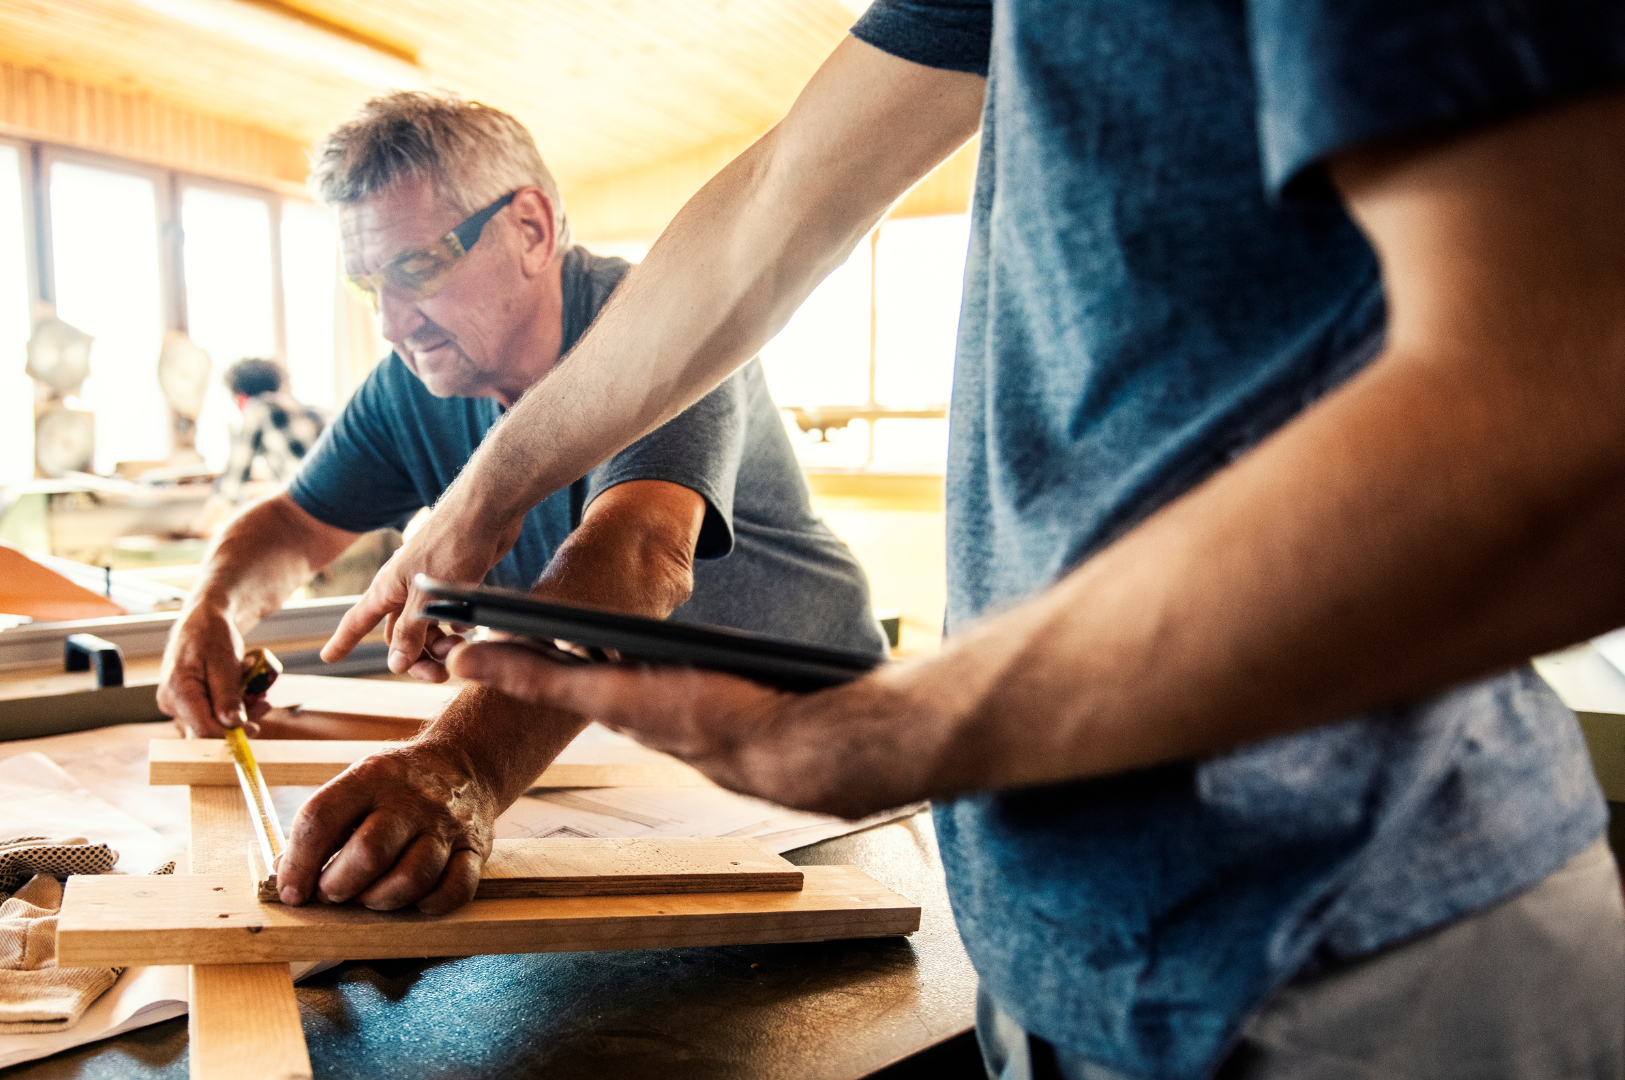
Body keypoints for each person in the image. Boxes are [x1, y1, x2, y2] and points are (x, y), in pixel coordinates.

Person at [300, 4, 1625, 1079]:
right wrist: (487, 486)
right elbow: (772, 209)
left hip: (1359, 956)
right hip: (1059, 951)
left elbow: (1573, 419)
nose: (402, 316)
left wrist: (903, 730)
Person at [159, 91, 888, 915]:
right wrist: (215, 605)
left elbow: (642, 554)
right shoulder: (413, 382)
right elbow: (295, 522)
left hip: (834, 757)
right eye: (370, 288)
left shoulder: (664, 325)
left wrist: (461, 765)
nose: (394, 324)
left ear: (531, 229)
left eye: (417, 269)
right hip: (641, 752)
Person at [210, 357, 329, 505]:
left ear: (240, 398)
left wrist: (200, 525)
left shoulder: (258, 409)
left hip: (314, 508)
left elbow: (229, 488)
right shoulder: (316, 412)